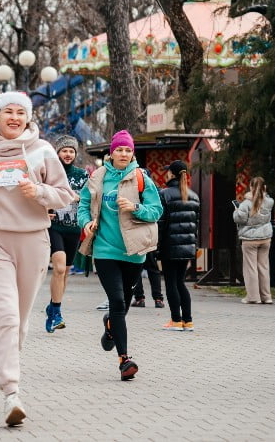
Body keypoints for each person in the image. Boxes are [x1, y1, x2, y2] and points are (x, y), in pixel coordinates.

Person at [0, 92, 75, 426]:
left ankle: (11, 371)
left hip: (33, 240)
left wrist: (37, 191)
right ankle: (11, 393)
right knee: (4, 315)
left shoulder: (42, 151)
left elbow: (64, 195)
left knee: (19, 322)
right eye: (7, 111)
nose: (14, 117)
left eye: (20, 112)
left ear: (28, 117)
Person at [77, 130, 162, 381]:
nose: (123, 154)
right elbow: (83, 205)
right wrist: (85, 223)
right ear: (111, 152)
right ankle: (125, 360)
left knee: (122, 304)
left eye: (127, 150)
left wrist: (135, 207)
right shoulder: (98, 177)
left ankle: (110, 326)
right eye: (119, 149)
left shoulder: (141, 178)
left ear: (132, 153)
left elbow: (156, 210)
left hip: (134, 251)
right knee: (116, 300)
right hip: (105, 250)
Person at [44, 135, 88, 334]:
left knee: (66, 271)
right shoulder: (50, 173)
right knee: (59, 267)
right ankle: (57, 312)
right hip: (55, 227)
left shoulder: (82, 175)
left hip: (74, 228)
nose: (68, 154)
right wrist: (44, 209)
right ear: (57, 152)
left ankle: (53, 306)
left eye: (71, 151)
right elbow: (41, 194)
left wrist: (79, 197)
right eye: (64, 150)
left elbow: (88, 199)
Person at [157, 160, 200, 331]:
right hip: (187, 246)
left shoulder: (164, 194)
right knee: (180, 282)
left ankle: (175, 320)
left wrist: (156, 245)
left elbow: (160, 223)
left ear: (172, 174)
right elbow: (195, 224)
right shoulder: (194, 196)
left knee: (170, 283)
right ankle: (188, 321)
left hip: (169, 246)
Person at [233, 176, 274, 304]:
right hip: (266, 238)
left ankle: (253, 297)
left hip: (249, 239)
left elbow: (240, 219)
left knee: (251, 268)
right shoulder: (269, 202)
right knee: (264, 267)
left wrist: (236, 210)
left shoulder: (245, 204)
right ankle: (266, 297)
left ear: (250, 187)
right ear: (264, 188)